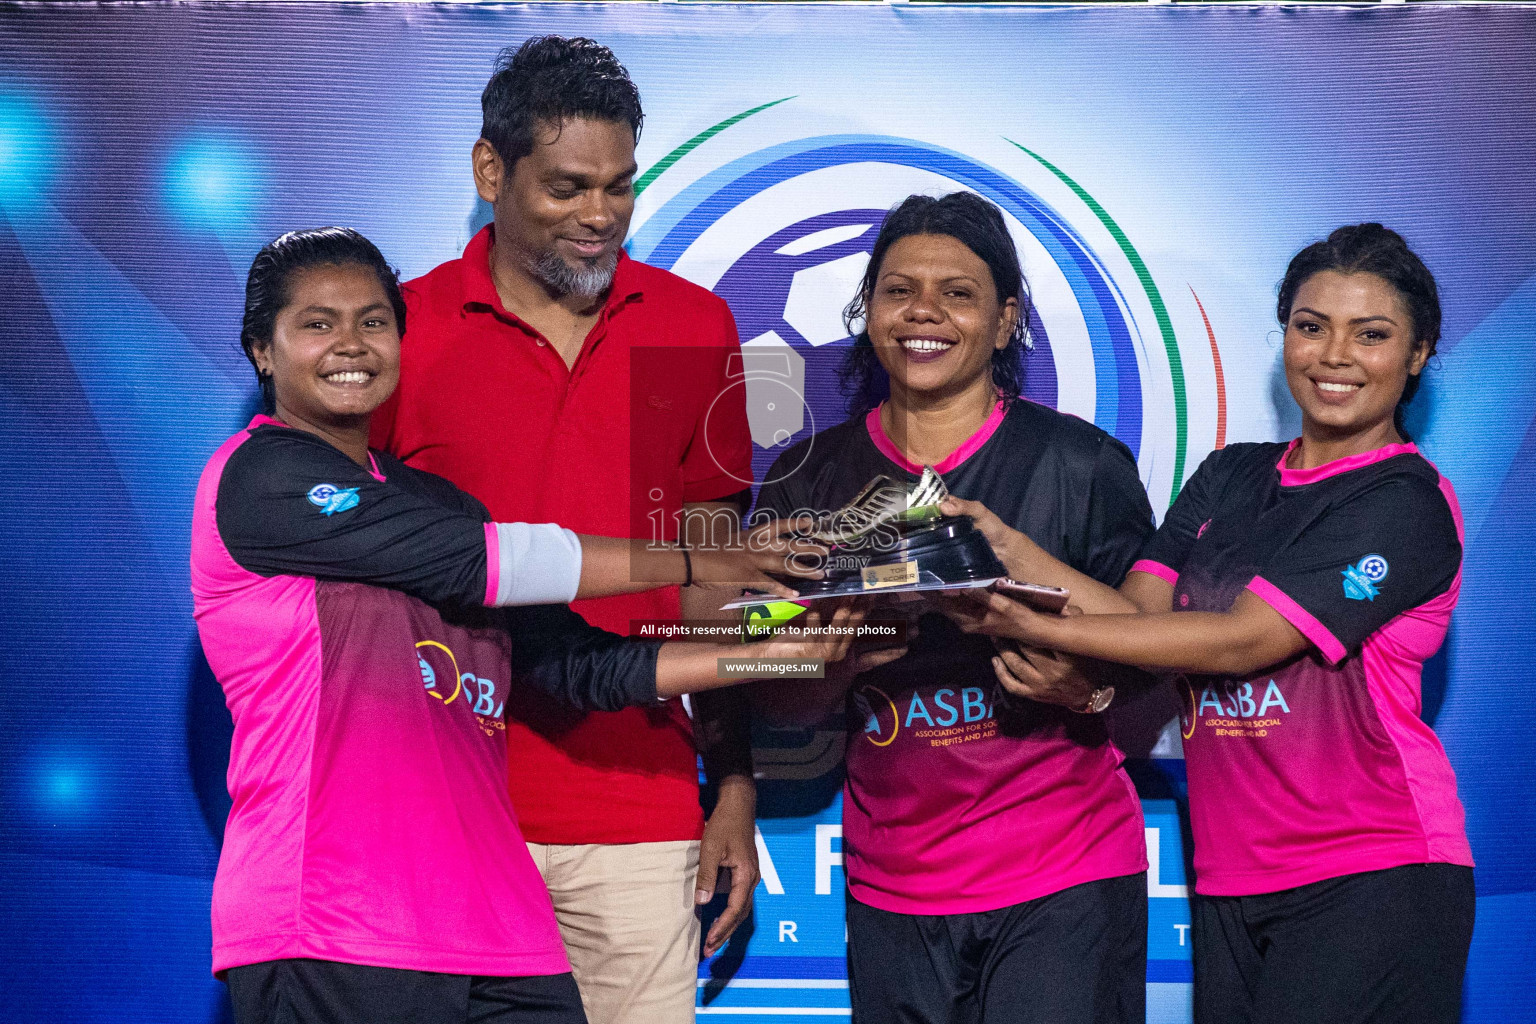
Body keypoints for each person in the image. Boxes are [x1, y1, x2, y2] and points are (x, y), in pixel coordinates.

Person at [193, 227, 855, 1024]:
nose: (351, 345)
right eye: (316, 323)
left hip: (497, 929)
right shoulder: (260, 478)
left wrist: (782, 657)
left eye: (373, 321)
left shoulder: (442, 504)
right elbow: (478, 563)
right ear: (262, 350)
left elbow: (581, 667)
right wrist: (705, 558)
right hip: (336, 917)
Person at [944, 223, 1474, 1024]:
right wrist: (1006, 544)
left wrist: (1014, 617)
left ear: (1419, 354)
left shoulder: (1404, 501)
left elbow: (1241, 640)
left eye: (1372, 335)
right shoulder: (1231, 475)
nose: (1333, 355)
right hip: (1231, 873)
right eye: (1310, 326)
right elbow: (1133, 619)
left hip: (1374, 872)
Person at [369, 38, 760, 1022]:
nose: (599, 216)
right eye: (568, 187)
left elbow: (715, 568)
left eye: (620, 188)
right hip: (437, 810)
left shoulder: (697, 324)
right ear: (489, 172)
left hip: (636, 804)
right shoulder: (398, 332)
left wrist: (735, 777)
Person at [751, 192, 1156, 1024]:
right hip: (891, 880)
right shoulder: (805, 475)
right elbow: (766, 686)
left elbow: (1157, 661)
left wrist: (1086, 685)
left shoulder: (1080, 465)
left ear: (1007, 321)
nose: (923, 312)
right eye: (898, 290)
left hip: (1063, 872)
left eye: (958, 293)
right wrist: (827, 668)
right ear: (867, 314)